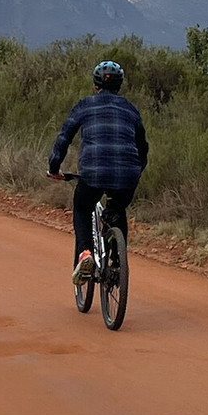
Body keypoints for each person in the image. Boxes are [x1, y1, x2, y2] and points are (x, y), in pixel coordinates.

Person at [46, 60, 149, 283]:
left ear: (95, 85)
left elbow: (64, 138)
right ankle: (117, 264)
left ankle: (85, 253)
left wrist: (54, 167)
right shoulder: (131, 109)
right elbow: (143, 148)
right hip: (127, 175)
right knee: (117, 209)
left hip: (92, 173)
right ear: (119, 86)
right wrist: (136, 171)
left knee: (82, 207)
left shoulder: (85, 105)